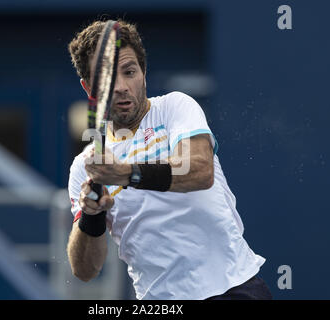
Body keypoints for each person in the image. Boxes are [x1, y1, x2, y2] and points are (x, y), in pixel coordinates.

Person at [66, 19, 272, 300]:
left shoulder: (176, 107)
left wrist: (125, 174)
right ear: (88, 88)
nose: (122, 86)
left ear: (144, 73)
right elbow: (85, 270)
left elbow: (199, 172)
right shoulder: (84, 167)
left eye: (130, 72)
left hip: (233, 288)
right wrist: (91, 216)